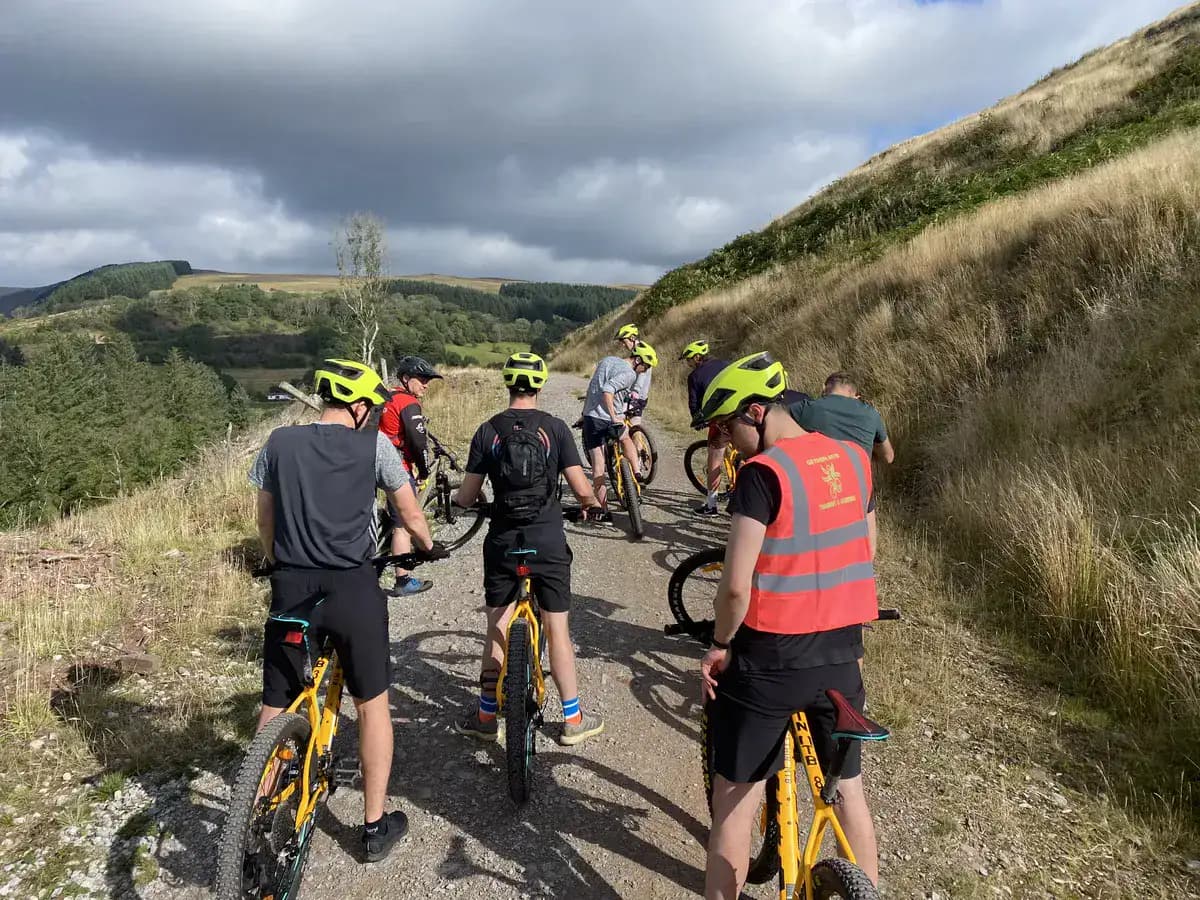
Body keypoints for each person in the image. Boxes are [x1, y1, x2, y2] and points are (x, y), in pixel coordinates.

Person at [691, 352, 882, 898]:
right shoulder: (851, 460)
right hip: (842, 655)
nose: (725, 442)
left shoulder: (762, 475)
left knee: (734, 807)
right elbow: (865, 548)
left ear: (755, 413)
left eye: (727, 428)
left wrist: (720, 644)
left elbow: (734, 585)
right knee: (849, 793)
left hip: (769, 661)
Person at [249, 359, 444, 863]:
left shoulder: (278, 443)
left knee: (277, 702)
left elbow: (265, 522)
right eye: (371, 407)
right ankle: (375, 826)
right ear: (358, 406)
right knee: (371, 705)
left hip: (292, 589)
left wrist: (278, 563)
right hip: (353, 589)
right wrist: (426, 546)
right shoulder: (374, 446)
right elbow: (411, 513)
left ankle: (252, 810)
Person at [452, 353, 605, 745]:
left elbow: (467, 497)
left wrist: (463, 499)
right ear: (538, 386)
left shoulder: (487, 431)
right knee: (557, 629)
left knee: (497, 626)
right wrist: (589, 505)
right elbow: (581, 487)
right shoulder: (554, 429)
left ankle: (486, 716)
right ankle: (572, 719)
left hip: (503, 541)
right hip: (547, 540)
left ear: (508, 385)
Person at [788, 371, 894, 558]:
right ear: (855, 395)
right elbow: (888, 457)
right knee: (866, 554)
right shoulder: (870, 414)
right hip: (858, 494)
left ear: (824, 389)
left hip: (816, 492)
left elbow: (775, 429)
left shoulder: (806, 408)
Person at [379, 355, 442, 594]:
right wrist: (424, 471)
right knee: (402, 525)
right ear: (406, 379)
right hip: (396, 466)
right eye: (422, 379)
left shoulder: (386, 396)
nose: (426, 384)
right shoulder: (408, 403)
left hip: (373, 463)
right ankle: (403, 580)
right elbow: (418, 443)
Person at [579, 341, 657, 518]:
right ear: (637, 360)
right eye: (645, 366)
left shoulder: (606, 361)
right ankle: (637, 473)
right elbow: (608, 391)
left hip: (592, 418)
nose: (644, 371)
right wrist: (614, 417)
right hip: (609, 419)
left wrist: (584, 414)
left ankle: (604, 511)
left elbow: (593, 387)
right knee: (626, 438)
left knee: (598, 468)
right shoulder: (629, 374)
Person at [681, 340, 730, 517]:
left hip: (720, 419)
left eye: (688, 359)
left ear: (697, 357)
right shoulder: (726, 364)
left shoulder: (694, 376)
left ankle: (711, 505)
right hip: (742, 414)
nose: (688, 363)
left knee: (714, 461)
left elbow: (694, 404)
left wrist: (698, 420)